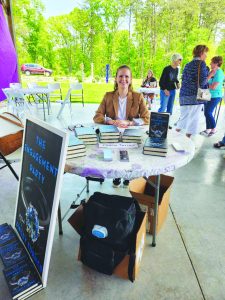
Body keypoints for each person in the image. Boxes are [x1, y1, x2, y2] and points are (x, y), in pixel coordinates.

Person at [93, 65, 149, 187]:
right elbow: (97, 116)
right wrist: (110, 121)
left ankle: (127, 176)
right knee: (115, 157)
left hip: (130, 135)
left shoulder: (138, 97)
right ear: (116, 78)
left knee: (128, 157)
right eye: (121, 76)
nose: (123, 79)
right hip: (112, 133)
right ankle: (117, 175)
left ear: (131, 79)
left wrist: (130, 123)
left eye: (126, 76)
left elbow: (147, 118)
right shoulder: (108, 96)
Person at [176, 45, 209, 138]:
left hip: (183, 95)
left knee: (183, 118)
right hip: (195, 96)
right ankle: (188, 142)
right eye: (205, 53)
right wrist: (209, 75)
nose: (206, 56)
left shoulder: (187, 64)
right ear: (201, 53)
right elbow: (203, 81)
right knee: (194, 119)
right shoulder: (202, 64)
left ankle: (175, 137)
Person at [200, 56, 224, 136]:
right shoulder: (212, 71)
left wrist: (207, 84)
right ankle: (207, 129)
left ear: (216, 63)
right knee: (205, 113)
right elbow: (205, 82)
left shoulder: (219, 73)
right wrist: (208, 79)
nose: (210, 63)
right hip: (207, 93)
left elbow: (213, 87)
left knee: (208, 112)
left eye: (212, 62)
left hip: (215, 96)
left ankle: (214, 128)